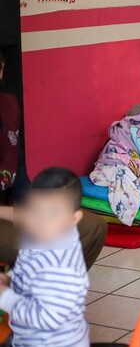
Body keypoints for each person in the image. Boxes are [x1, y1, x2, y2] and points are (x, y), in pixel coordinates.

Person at [0, 51, 108, 269]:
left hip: (11, 210)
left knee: (93, 226)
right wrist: (16, 214)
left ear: (1, 70)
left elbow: (18, 169)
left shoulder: (9, 106)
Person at [0, 168, 90, 347]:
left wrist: (4, 296)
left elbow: (48, 318)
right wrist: (10, 280)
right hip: (26, 336)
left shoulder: (62, 268)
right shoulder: (41, 234)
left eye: (53, 213)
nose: (40, 221)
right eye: (34, 211)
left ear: (73, 219)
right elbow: (30, 270)